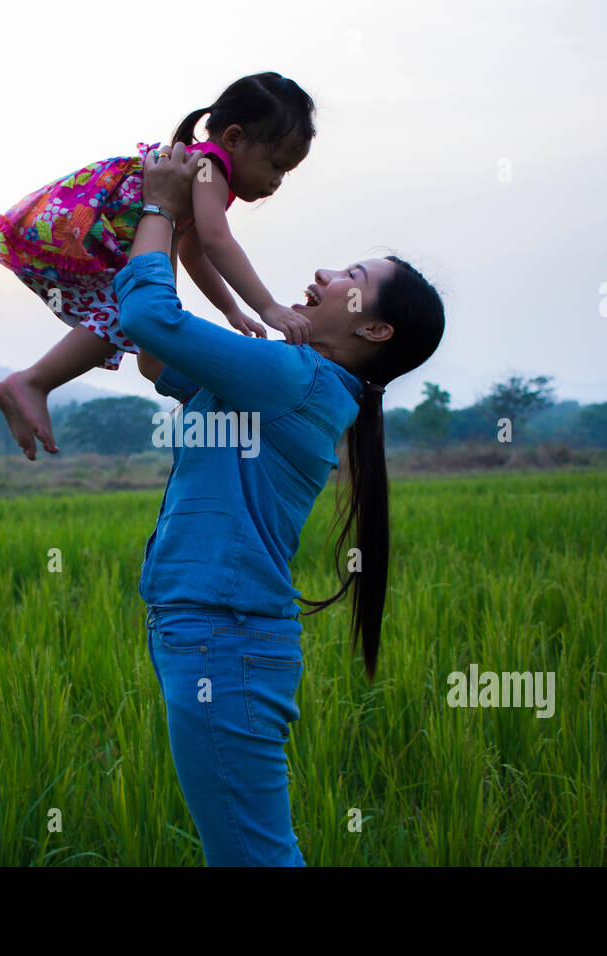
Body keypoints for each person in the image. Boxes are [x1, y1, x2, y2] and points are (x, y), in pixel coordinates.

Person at [115, 142, 446, 866]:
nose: (325, 274)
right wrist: (172, 229)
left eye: (351, 278)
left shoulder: (294, 378)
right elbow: (155, 358)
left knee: (251, 857)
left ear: (374, 330)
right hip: (215, 633)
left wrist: (159, 206)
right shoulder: (290, 379)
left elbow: (143, 315)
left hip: (222, 638)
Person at [0, 72, 317, 459]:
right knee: (132, 314)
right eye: (275, 165)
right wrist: (267, 306)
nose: (277, 181)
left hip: (126, 228)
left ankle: (32, 382)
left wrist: (230, 309)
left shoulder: (204, 170)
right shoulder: (210, 166)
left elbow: (194, 253)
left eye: (286, 173)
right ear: (234, 138)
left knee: (141, 317)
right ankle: (33, 382)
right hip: (98, 225)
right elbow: (216, 241)